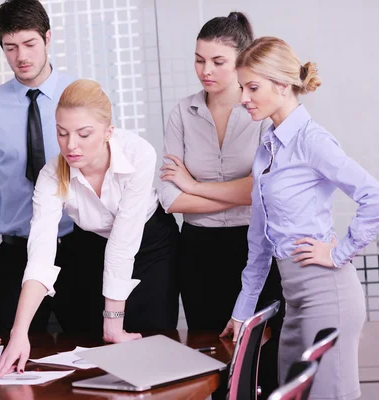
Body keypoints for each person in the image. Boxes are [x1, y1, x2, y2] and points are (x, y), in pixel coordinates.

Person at [220, 37, 379, 400]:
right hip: (293, 300)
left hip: (326, 295)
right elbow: (260, 239)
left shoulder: (312, 141)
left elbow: (376, 198)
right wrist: (242, 310)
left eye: (253, 87)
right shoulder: (267, 145)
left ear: (283, 85)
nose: (243, 98)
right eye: (242, 88)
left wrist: (337, 252)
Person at [0, 79, 180, 377]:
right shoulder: (51, 175)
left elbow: (123, 243)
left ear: (108, 132)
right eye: (62, 133)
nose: (71, 145)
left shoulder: (138, 153)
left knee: (149, 341)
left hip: (149, 244)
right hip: (92, 244)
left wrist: (113, 322)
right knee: (97, 347)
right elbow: (40, 256)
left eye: (84, 134)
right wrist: (19, 333)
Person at [159, 13, 284, 397]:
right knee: (212, 361)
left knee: (263, 365)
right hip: (197, 253)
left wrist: (195, 185)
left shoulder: (263, 113)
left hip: (257, 247)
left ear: (243, 60)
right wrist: (234, 190)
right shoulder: (183, 111)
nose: (205, 70)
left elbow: (263, 191)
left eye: (217, 61)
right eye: (199, 59)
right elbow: (169, 198)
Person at [0, 0, 76, 337]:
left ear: (47, 38)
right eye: (10, 47)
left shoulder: (78, 94)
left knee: (90, 354)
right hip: (15, 252)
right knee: (15, 357)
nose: (21, 56)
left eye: (30, 44)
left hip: (78, 245)